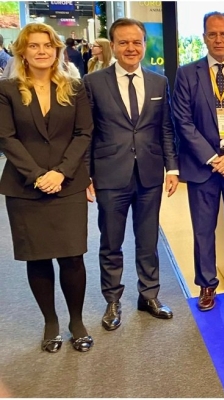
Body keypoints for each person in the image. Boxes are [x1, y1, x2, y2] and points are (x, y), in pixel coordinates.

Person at [0, 22, 94, 352]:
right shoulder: (7, 89)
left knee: (72, 258)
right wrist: (38, 174)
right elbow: (5, 137)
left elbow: (84, 133)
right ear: (22, 51)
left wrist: (60, 173)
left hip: (67, 186)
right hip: (25, 187)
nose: (42, 51)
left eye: (47, 45)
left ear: (57, 50)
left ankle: (76, 321)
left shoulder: (75, 87)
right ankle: (50, 322)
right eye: (34, 46)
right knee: (37, 259)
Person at [84, 18, 179, 331]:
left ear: (144, 45)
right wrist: (87, 175)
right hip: (110, 173)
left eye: (136, 42)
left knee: (148, 240)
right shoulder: (95, 82)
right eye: (123, 42)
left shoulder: (158, 81)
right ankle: (112, 300)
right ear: (113, 46)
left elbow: (166, 128)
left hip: (150, 173)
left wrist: (172, 167)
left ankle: (149, 295)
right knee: (111, 242)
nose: (130, 48)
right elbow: (87, 132)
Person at [173, 12, 224, 311]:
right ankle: (207, 284)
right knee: (203, 229)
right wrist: (211, 158)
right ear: (204, 37)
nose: (218, 39)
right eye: (212, 34)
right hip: (202, 166)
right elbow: (182, 121)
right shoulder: (187, 73)